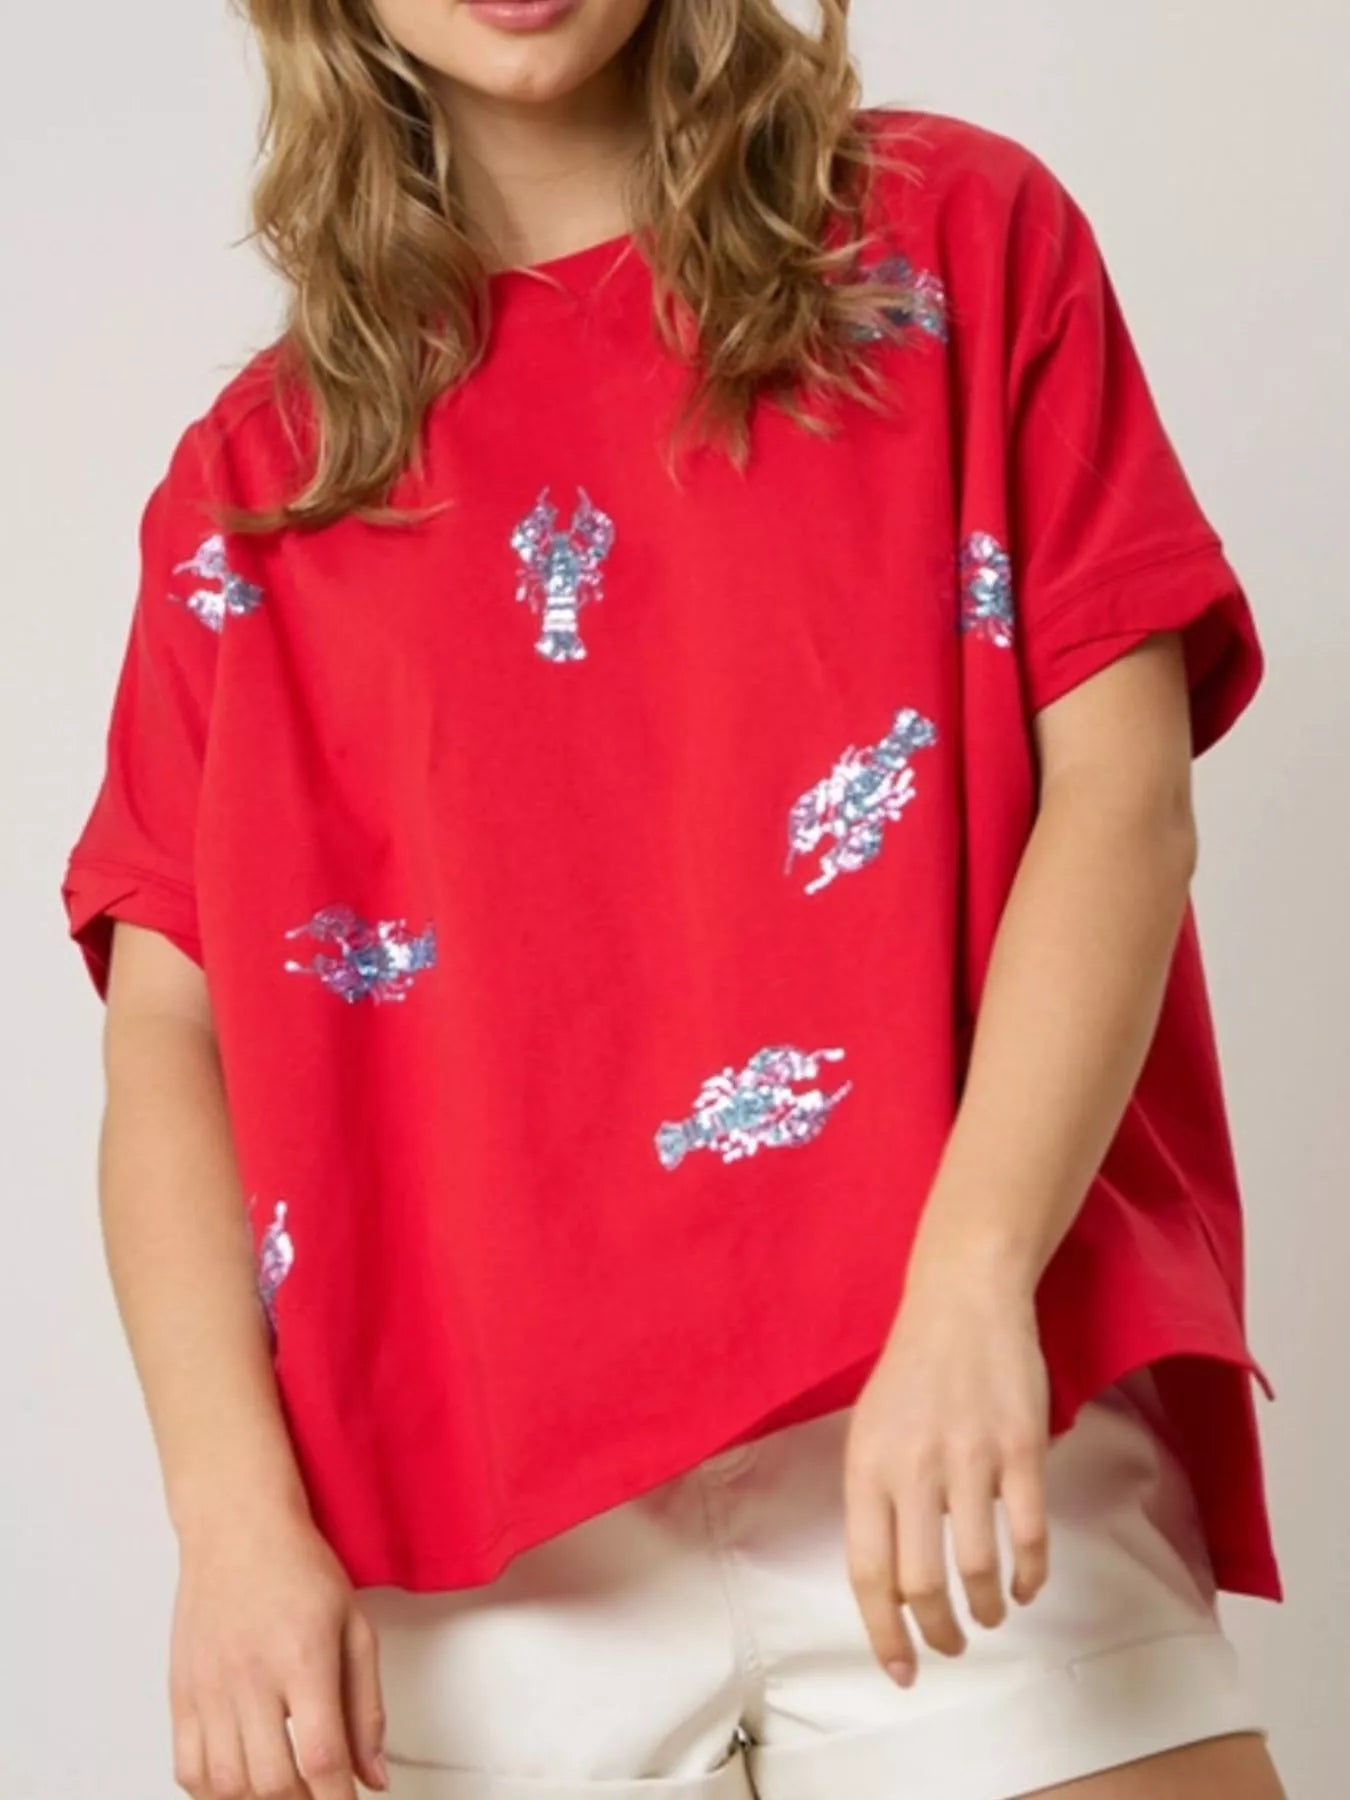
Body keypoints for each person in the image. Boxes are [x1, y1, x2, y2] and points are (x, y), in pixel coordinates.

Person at [61, 2, 1287, 1797]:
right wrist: (227, 1516)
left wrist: (971, 1278)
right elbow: (169, 1034)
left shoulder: (957, 240)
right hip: (473, 1542)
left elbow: (1120, 800)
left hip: (949, 1398)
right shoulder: (252, 485)